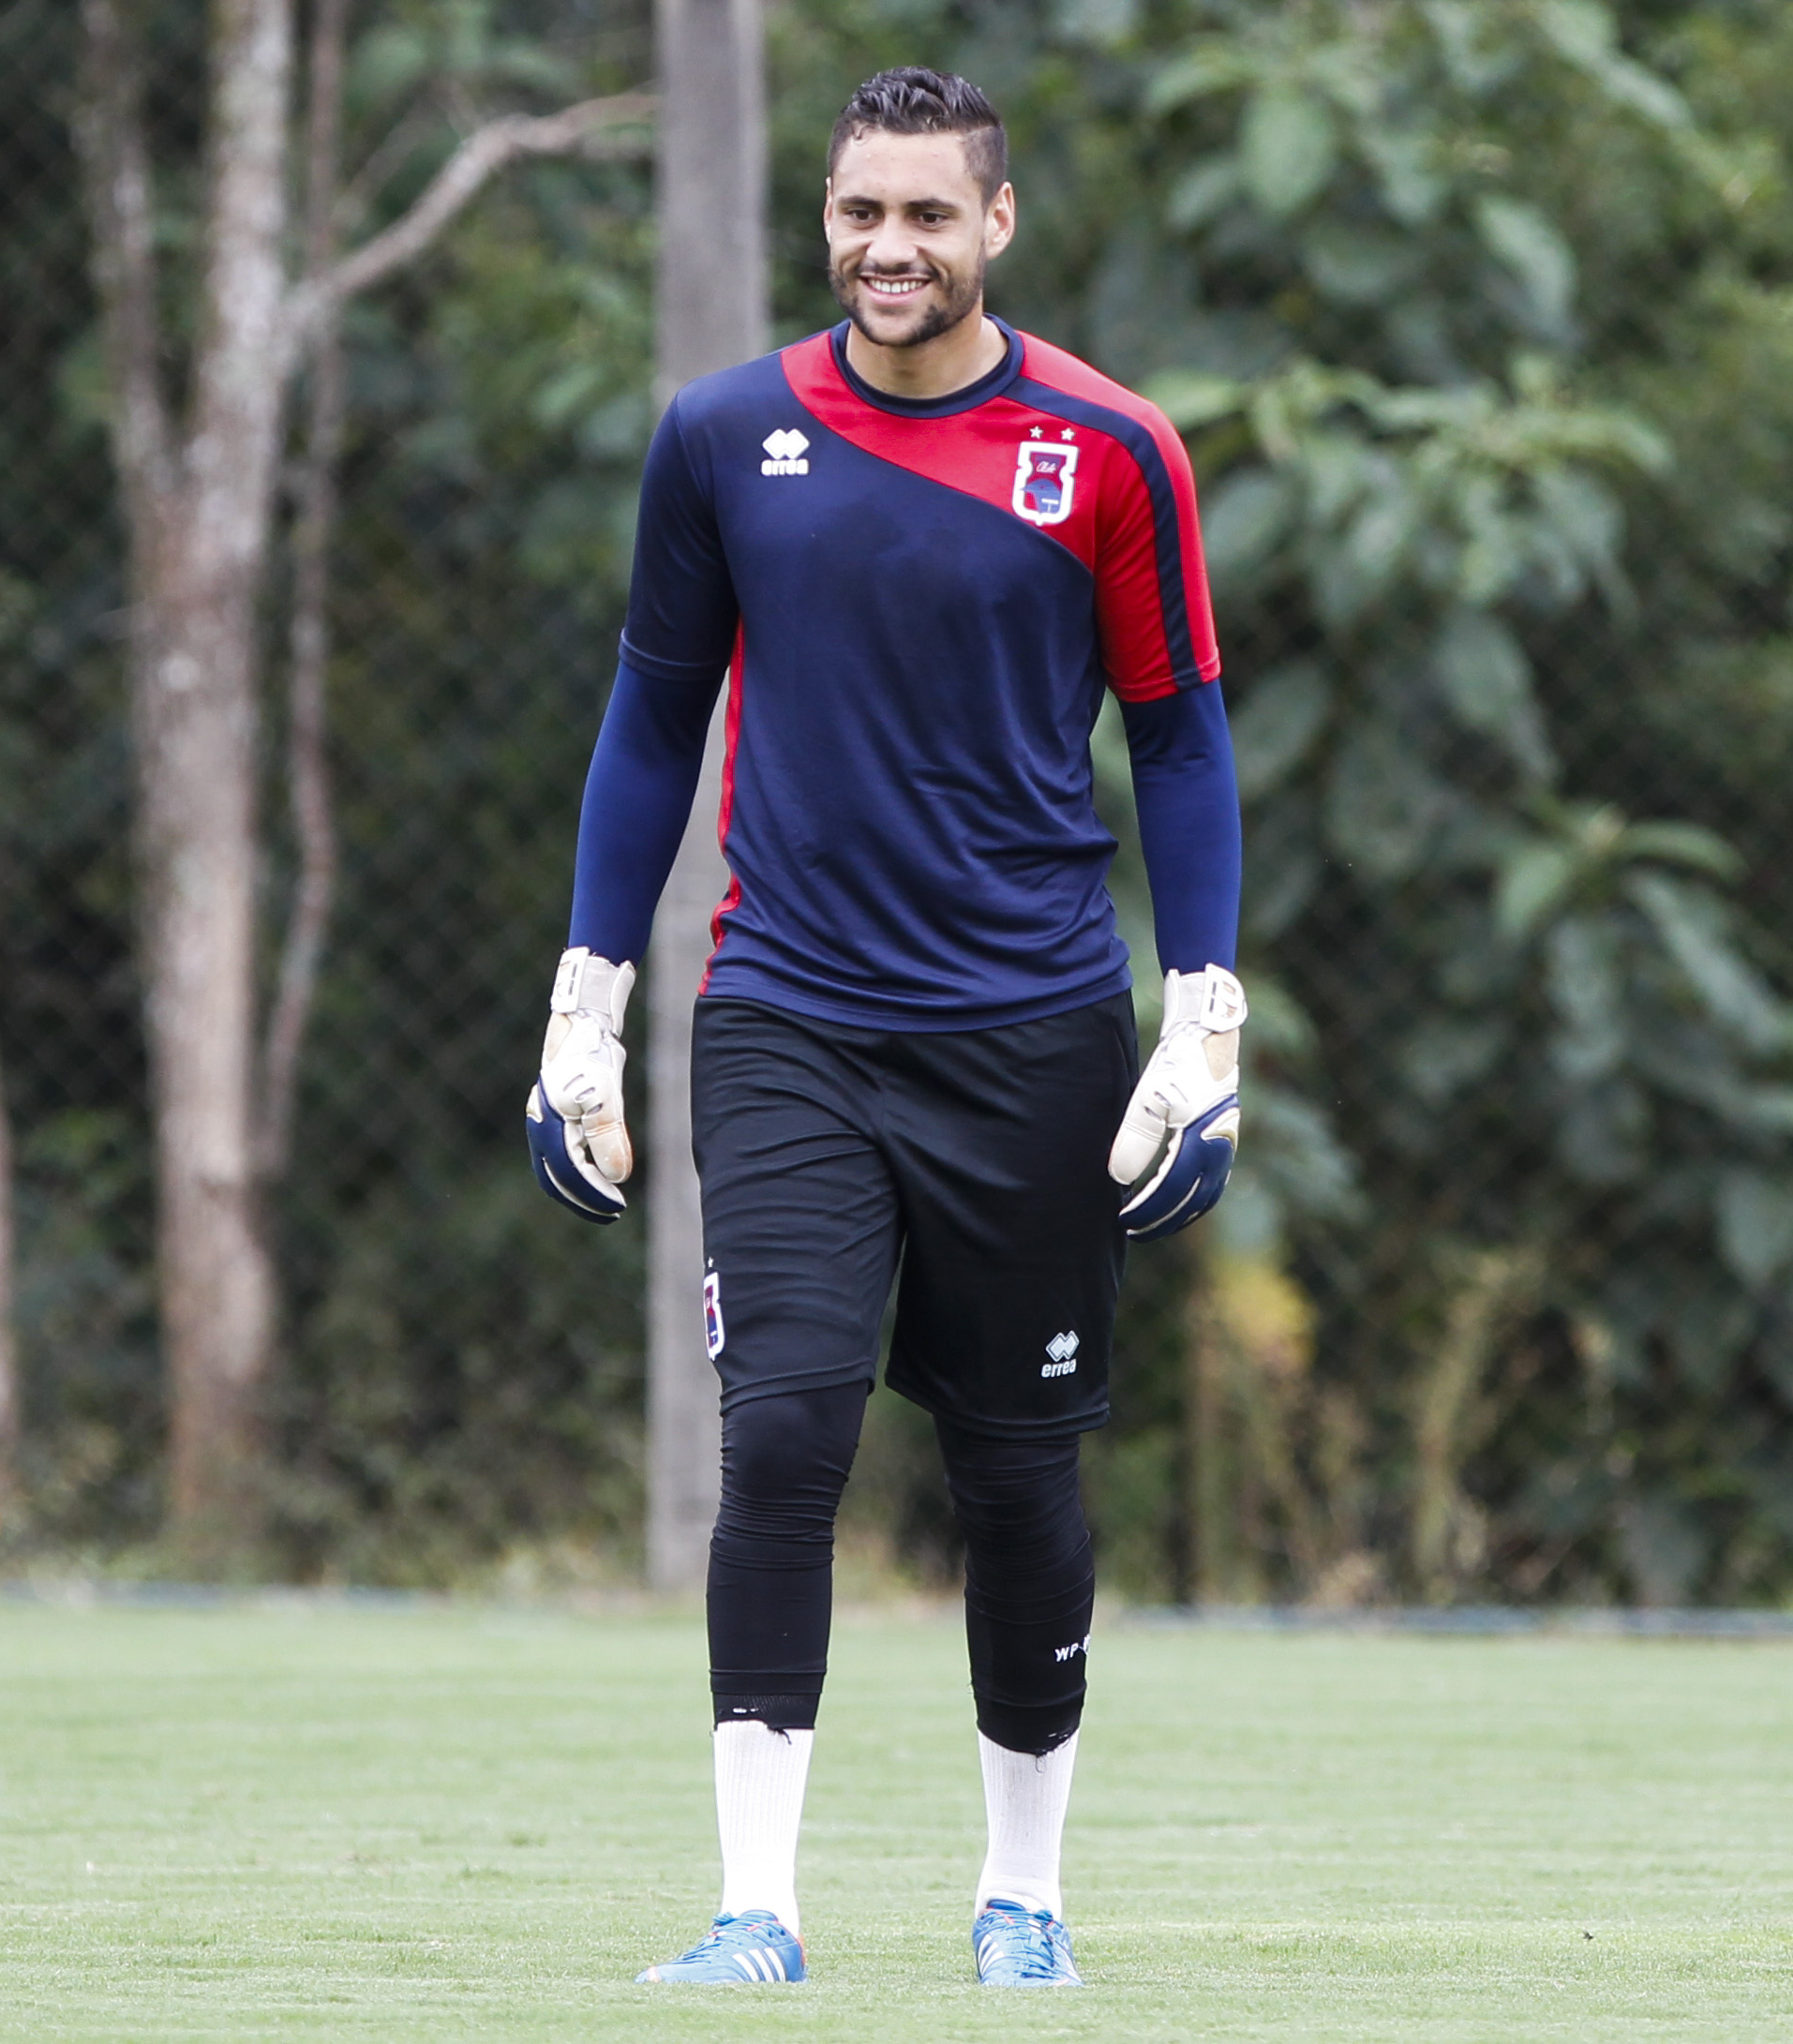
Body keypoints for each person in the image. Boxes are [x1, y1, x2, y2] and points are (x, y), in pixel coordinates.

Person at [526, 67, 1243, 1989]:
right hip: (788, 1011)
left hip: (1031, 1032)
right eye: (861, 212)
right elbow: (649, 723)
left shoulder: (1110, 451)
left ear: (997, 223)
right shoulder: (724, 433)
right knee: (783, 1432)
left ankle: (1027, 1898)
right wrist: (585, 1005)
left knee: (1019, 1470)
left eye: (930, 213)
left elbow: (1178, 739)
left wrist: (1205, 1008)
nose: (890, 247)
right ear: (825, 217)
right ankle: (754, 1905)